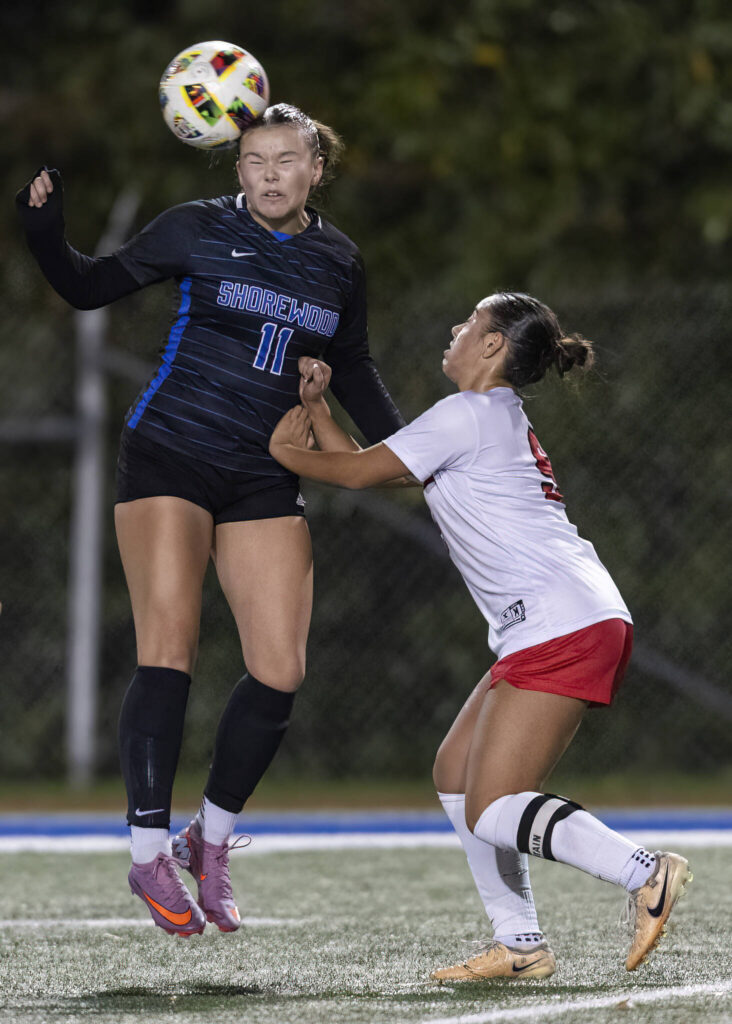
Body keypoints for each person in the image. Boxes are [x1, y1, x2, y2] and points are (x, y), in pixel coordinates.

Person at [16, 103, 404, 936]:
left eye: (286, 160)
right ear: (236, 169)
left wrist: (415, 447)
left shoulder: (338, 258)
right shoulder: (193, 228)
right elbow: (89, 286)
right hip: (172, 457)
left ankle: (209, 840)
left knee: (280, 670)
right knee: (170, 648)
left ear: (315, 170)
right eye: (254, 159)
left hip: (267, 471)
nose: (269, 173)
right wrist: (45, 233)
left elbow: (355, 365)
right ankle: (148, 851)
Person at [268, 291, 692, 977]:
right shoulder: (484, 415)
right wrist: (317, 413)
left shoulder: (467, 414)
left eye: (469, 323)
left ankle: (644, 871)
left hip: (563, 623)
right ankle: (520, 947)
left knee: (494, 806)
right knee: (456, 775)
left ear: (493, 347)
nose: (457, 329)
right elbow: (376, 467)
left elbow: (351, 472)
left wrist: (286, 452)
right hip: (562, 619)